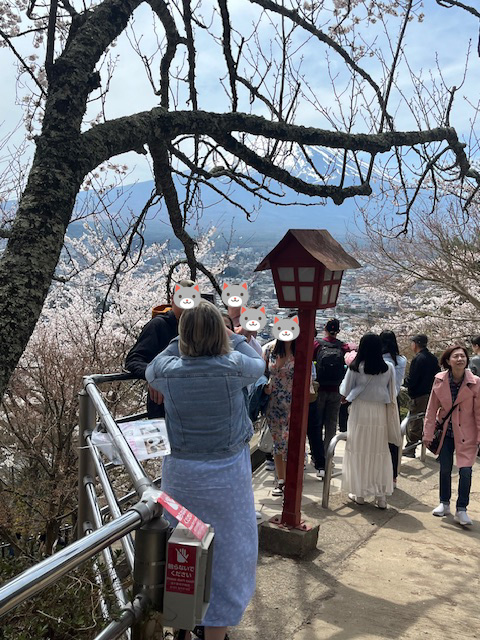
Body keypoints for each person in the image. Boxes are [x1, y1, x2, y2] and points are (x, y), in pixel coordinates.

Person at [145, 300, 264, 639]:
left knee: (182, 547)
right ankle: (215, 632)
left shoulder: (168, 371)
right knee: (229, 551)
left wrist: (182, 337)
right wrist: (232, 335)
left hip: (182, 473)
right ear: (221, 334)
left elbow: (153, 365)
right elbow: (259, 363)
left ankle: (182, 624)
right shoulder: (235, 366)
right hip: (227, 473)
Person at [339, 333, 401, 509]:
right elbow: (392, 392)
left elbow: (344, 389)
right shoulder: (388, 368)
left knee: (359, 450)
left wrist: (348, 396)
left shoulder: (355, 367)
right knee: (379, 451)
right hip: (379, 412)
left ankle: (359, 493)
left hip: (360, 411)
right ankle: (381, 496)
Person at [423, 345, 480, 526]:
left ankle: (462, 508)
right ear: (448, 360)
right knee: (445, 468)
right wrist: (428, 433)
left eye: (462, 356)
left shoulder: (475, 382)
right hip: (447, 432)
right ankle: (444, 503)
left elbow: (479, 412)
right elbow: (431, 408)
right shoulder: (440, 380)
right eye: (455, 356)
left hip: (468, 431)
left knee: (466, 471)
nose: (460, 359)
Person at [125, 278, 195, 418]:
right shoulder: (158, 325)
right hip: (163, 406)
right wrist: (154, 375)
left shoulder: (197, 327)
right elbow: (134, 359)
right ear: (173, 298)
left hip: (192, 404)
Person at [312, 318, 350, 479]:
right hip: (336, 389)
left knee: (316, 424)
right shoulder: (344, 347)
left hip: (319, 389)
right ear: (338, 331)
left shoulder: (317, 345)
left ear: (325, 329)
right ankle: (329, 456)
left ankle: (317, 456)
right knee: (331, 425)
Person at [263, 334, 296, 496]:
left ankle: (291, 479)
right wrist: (263, 387)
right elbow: (262, 374)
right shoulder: (270, 350)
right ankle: (281, 479)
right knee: (278, 442)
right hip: (274, 403)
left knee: (290, 442)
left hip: (294, 404)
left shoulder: (301, 351)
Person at [403, 334, 440, 458]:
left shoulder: (418, 359)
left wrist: (405, 383)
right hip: (430, 394)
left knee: (414, 422)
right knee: (426, 420)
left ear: (416, 343)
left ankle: (410, 449)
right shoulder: (433, 358)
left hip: (419, 395)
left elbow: (413, 379)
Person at [380, 330, 407, 487]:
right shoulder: (402, 360)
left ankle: (379, 473)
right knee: (394, 438)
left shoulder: (380, 360)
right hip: (394, 400)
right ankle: (393, 477)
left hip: (379, 400)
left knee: (379, 438)